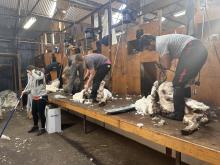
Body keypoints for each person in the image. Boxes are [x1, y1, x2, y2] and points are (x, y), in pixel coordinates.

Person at [141, 34, 208, 121]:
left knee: (177, 83)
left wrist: (161, 65)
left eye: (147, 47)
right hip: (200, 50)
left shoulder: (159, 43)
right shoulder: (163, 39)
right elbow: (168, 61)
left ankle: (178, 114)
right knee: (184, 82)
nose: (149, 50)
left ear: (151, 42)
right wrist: (163, 64)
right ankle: (186, 109)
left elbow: (167, 65)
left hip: (192, 49)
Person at [22, 65, 48, 136]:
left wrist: (33, 71)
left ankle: (43, 128)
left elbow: (39, 77)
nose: (29, 74)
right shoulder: (32, 77)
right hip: (35, 97)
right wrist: (25, 91)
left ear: (31, 70)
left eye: (29, 72)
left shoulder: (40, 74)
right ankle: (36, 126)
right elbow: (32, 88)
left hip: (42, 97)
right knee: (34, 112)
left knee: (41, 113)